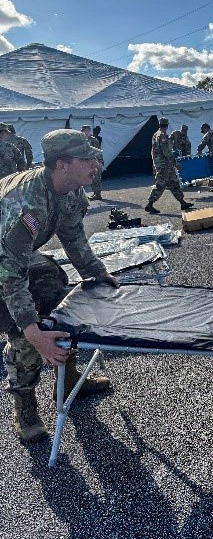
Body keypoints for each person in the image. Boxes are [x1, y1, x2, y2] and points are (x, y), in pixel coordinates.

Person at [0, 129, 120, 443]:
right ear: (61, 165)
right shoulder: (26, 203)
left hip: (16, 253)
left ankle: (67, 381)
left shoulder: (72, 191)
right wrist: (31, 329)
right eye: (85, 158)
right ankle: (25, 407)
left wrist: (96, 272)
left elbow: (73, 238)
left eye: (93, 156)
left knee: (61, 300)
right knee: (23, 331)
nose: (95, 163)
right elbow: (9, 273)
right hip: (3, 260)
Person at [145, 118, 194, 214]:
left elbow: (153, 151)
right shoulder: (162, 136)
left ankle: (182, 202)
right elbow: (166, 151)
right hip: (164, 164)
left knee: (174, 182)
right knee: (161, 184)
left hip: (164, 163)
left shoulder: (156, 134)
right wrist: (175, 162)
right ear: (167, 125)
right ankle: (149, 204)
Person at [81, 125, 104, 200]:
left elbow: (98, 151)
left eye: (84, 130)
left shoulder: (93, 140)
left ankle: (98, 194)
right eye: (82, 130)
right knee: (92, 178)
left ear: (88, 130)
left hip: (95, 161)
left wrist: (100, 161)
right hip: (88, 162)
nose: (83, 131)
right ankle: (95, 193)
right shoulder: (83, 139)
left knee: (96, 178)